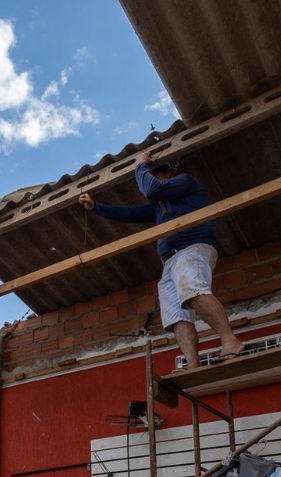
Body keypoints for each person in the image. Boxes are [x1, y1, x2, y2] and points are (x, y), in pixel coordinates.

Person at [80, 153, 243, 369]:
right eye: (150, 173)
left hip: (192, 247)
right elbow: (129, 213)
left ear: (169, 173)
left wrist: (140, 166)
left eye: (156, 173)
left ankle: (230, 340)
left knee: (193, 291)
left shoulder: (186, 181)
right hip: (170, 260)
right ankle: (193, 364)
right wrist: (96, 207)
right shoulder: (159, 207)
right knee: (176, 316)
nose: (152, 178)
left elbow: (151, 189)